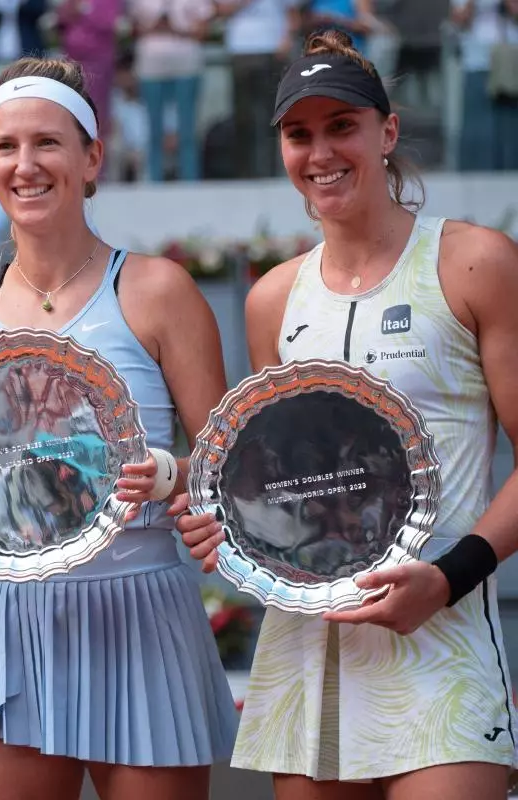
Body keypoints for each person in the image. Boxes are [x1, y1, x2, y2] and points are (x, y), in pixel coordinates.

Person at [172, 30, 518, 800]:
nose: (320, 152)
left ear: (387, 132)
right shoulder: (273, 299)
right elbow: (289, 482)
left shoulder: (474, 262)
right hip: (309, 653)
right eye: (299, 134)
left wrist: (449, 579)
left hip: (443, 640)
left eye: (341, 127)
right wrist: (228, 520)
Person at [0, 57, 238, 800]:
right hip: (8, 617)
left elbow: (229, 468)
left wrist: (168, 476)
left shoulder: (159, 291)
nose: (26, 164)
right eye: (6, 146)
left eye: (47, 142)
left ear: (91, 158)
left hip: (141, 608)